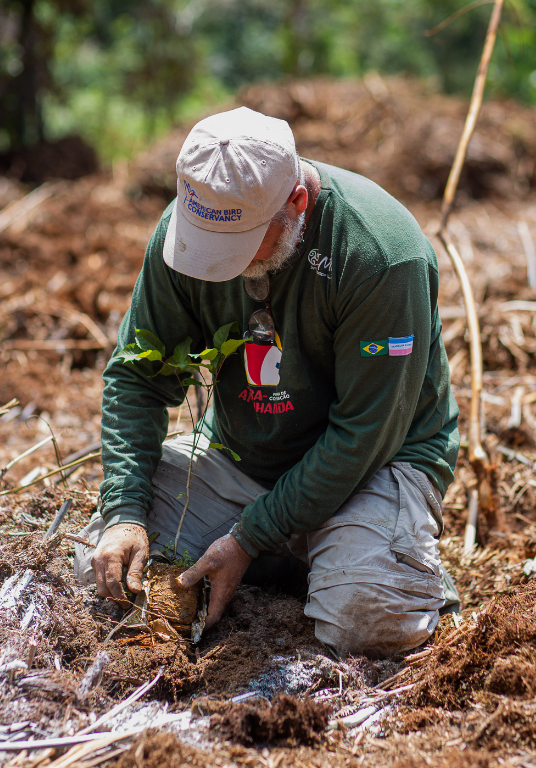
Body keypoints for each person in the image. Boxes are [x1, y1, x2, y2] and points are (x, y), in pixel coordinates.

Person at [74, 106, 460, 657]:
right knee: (101, 572)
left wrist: (251, 535)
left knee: (366, 622)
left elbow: (367, 430)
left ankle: (371, 566)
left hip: (376, 464)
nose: (219, 267)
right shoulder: (188, 229)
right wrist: (124, 512)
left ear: (295, 204)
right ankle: (299, 557)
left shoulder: (378, 254)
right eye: (207, 246)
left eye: (237, 247)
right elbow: (138, 377)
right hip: (241, 456)